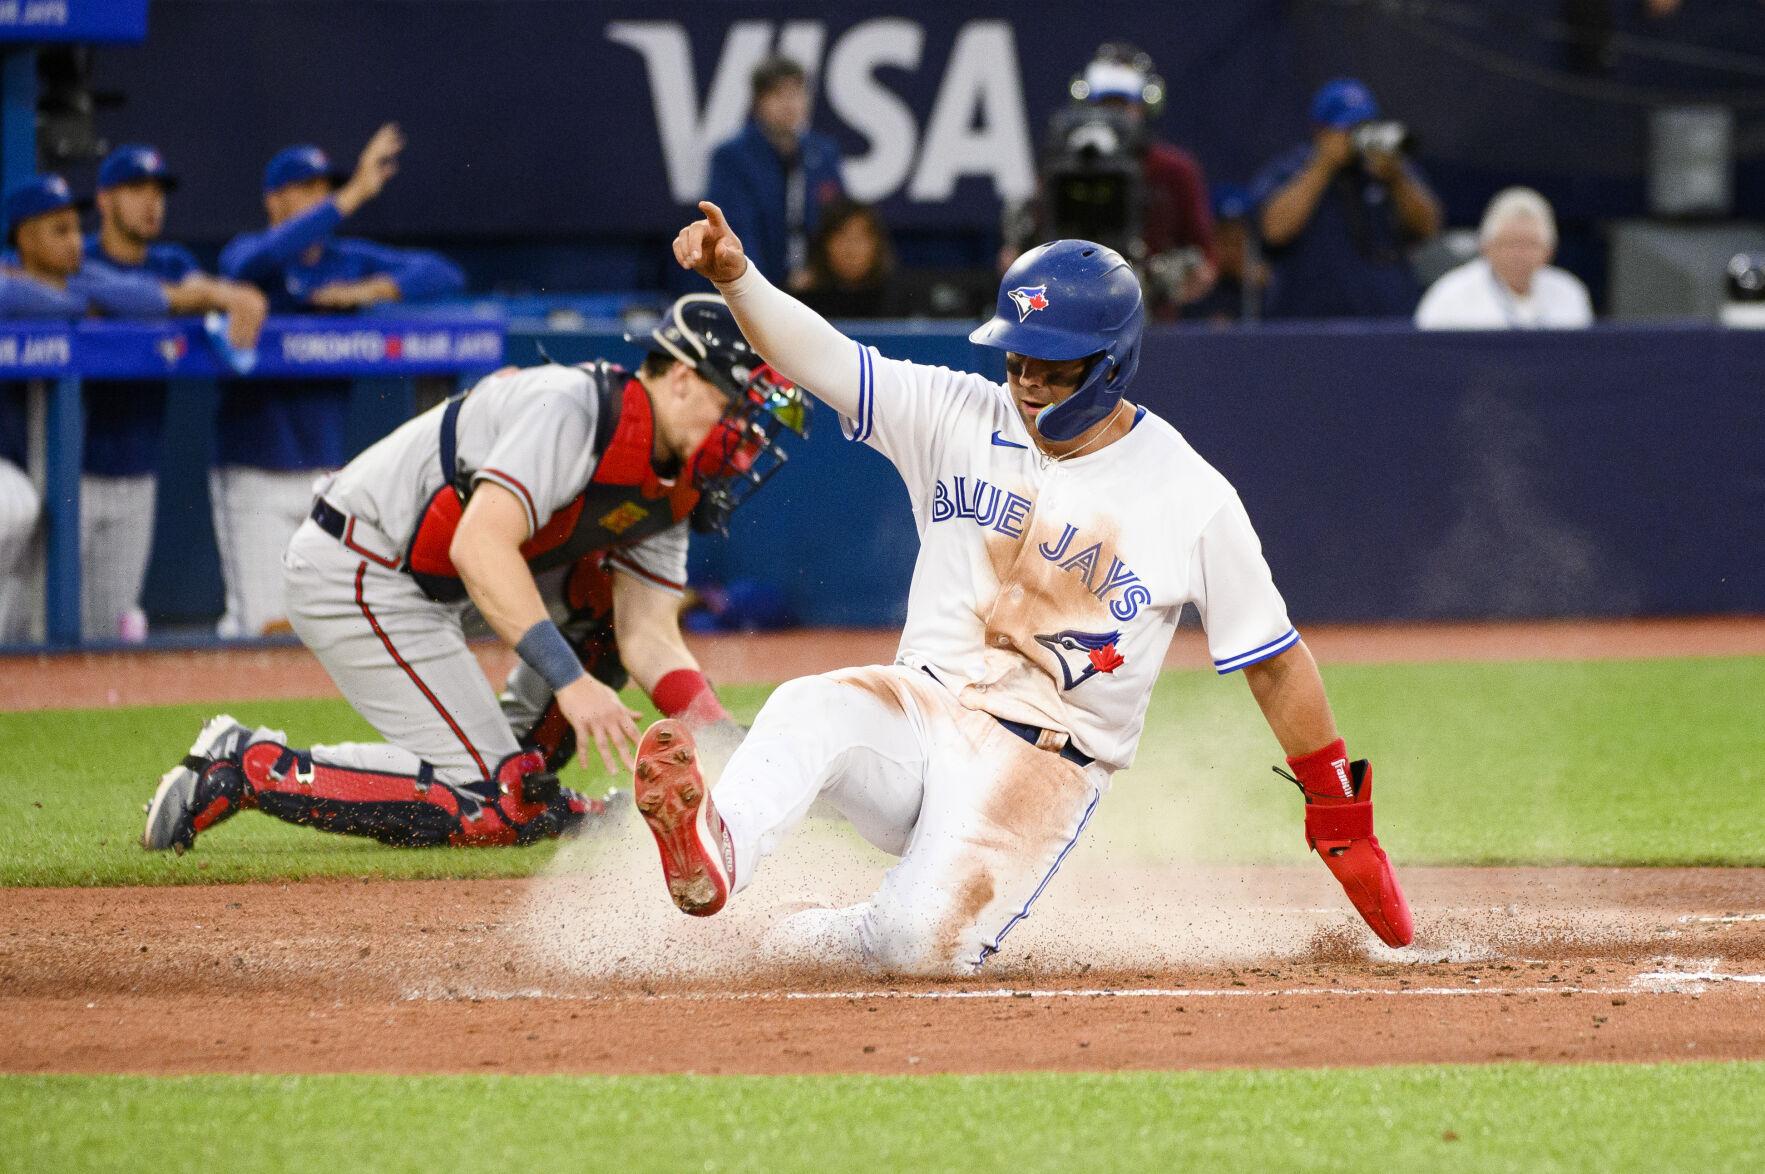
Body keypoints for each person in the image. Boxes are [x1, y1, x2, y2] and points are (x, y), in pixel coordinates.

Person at [634, 203, 1415, 975]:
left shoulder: (1189, 493)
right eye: (1016, 362)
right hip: (919, 710)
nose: (1029, 383)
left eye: (1054, 367)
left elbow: (1272, 658)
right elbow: (826, 360)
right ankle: (715, 849)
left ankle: (812, 939)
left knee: (915, 949)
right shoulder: (956, 412)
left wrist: (1334, 804)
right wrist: (737, 279)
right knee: (807, 705)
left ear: (1110, 363)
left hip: (1040, 764)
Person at [140, 294, 810, 855]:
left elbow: (647, 637)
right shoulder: (575, 406)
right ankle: (244, 766)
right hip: (361, 565)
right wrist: (571, 683)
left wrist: (730, 746)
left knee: (597, 618)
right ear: (683, 376)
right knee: (492, 805)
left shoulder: (672, 487)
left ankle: (520, 778)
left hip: (433, 583)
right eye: (735, 409)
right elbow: (481, 547)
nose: (744, 437)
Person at [215, 124, 465, 638]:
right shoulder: (250, 258)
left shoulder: (345, 261)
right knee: (261, 628)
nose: (320, 200)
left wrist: (364, 290)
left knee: (327, 631)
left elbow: (443, 272)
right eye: (304, 190)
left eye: (323, 189)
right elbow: (245, 263)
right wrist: (354, 195)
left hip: (328, 479)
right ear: (274, 201)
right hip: (254, 472)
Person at [80, 145, 269, 641]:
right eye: (136, 190)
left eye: (158, 192)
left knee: (103, 633)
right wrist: (210, 296)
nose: (151, 203)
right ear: (104, 199)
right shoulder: (77, 257)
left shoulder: (171, 260)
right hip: (67, 474)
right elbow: (130, 295)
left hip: (137, 473)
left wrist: (222, 294)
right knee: (35, 627)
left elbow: (199, 286)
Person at [1004, 43, 1216, 319]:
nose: (1112, 117)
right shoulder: (1058, 167)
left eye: (1122, 106)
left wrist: (1169, 280)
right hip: (1063, 315)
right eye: (1104, 105)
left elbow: (1205, 262)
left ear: (1145, 106)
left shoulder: (1175, 170)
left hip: (1151, 321)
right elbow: (1014, 256)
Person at [1252, 78, 1442, 320]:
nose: (1357, 137)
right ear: (1320, 131)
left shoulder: (1388, 167)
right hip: (1308, 324)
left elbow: (1428, 228)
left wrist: (1397, 179)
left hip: (1387, 319)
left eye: (1365, 125)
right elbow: (1273, 231)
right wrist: (1323, 166)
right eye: (1349, 129)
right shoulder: (1291, 168)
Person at [704, 56, 844, 291]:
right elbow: (736, 230)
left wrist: (821, 274)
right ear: (758, 101)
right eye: (779, 95)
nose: (790, 105)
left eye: (797, 94)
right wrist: (760, 288)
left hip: (817, 288)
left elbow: (838, 221)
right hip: (757, 287)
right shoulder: (732, 158)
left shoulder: (823, 154)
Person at [1415, 188, 1593, 330]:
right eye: (1509, 243)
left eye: (1530, 244)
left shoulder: (1570, 292)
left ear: (1549, 251)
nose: (1519, 255)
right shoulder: (1449, 296)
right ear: (1486, 247)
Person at [798, 199, 902, 319]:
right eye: (841, 237)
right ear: (825, 245)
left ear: (877, 245)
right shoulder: (803, 301)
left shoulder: (901, 301)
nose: (850, 250)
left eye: (858, 238)